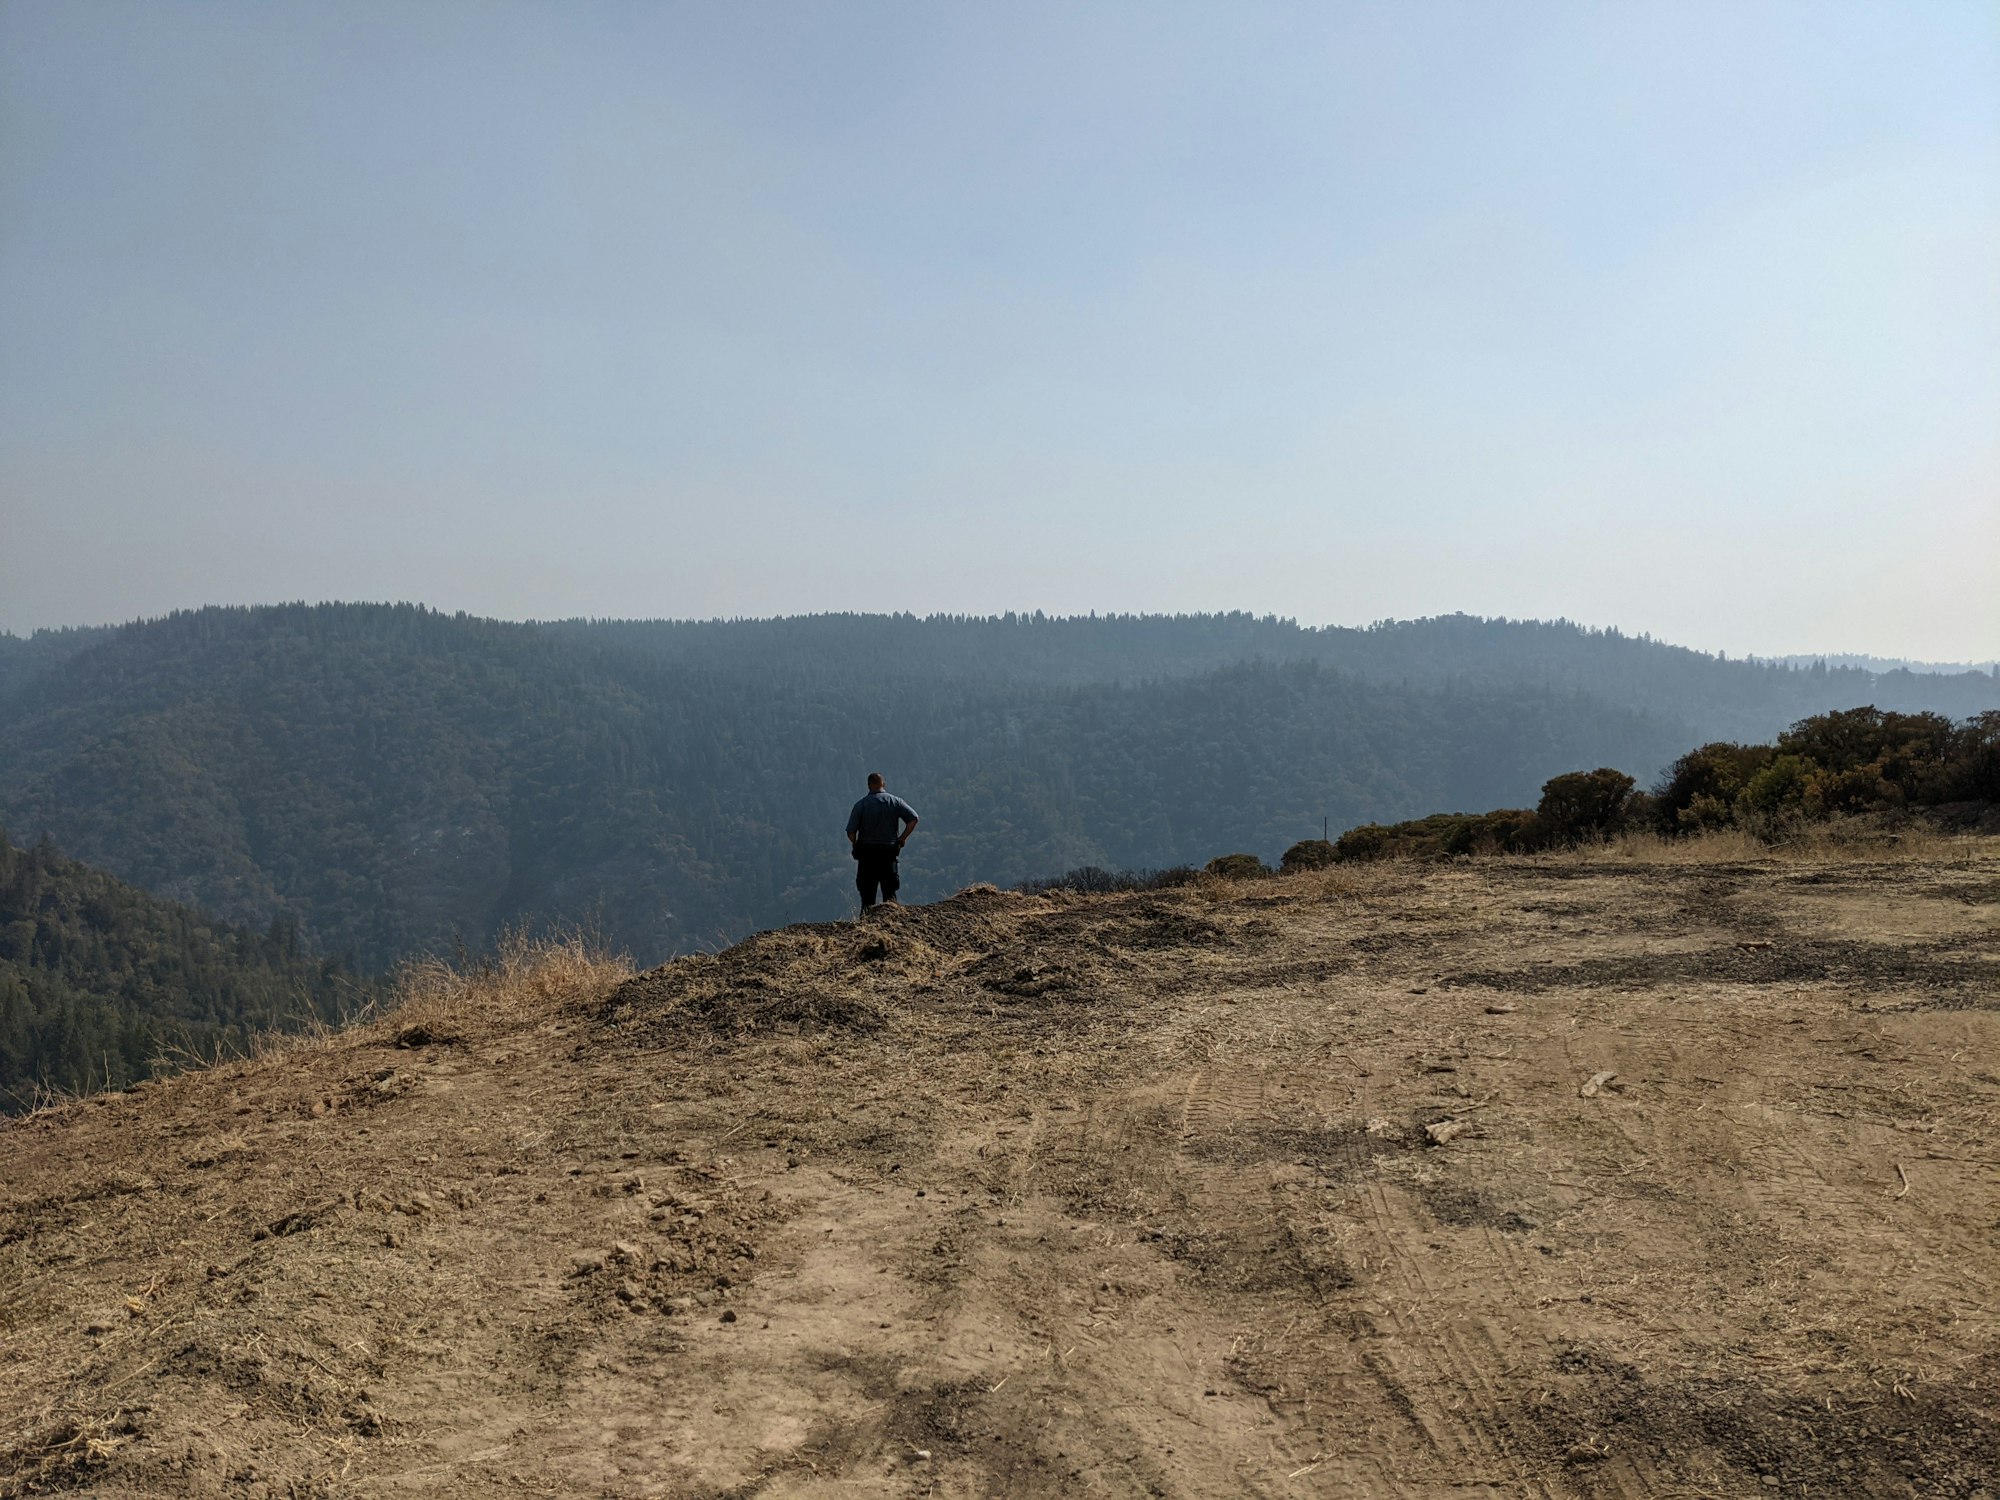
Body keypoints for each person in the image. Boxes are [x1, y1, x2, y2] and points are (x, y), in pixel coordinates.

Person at [846, 772, 919, 910]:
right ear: (883, 784)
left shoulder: (861, 805)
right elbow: (913, 819)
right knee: (890, 896)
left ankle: (867, 927)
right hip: (888, 853)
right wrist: (902, 839)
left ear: (869, 786)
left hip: (867, 856)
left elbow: (851, 832)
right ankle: (891, 926)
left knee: (867, 898)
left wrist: (855, 844)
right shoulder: (896, 802)